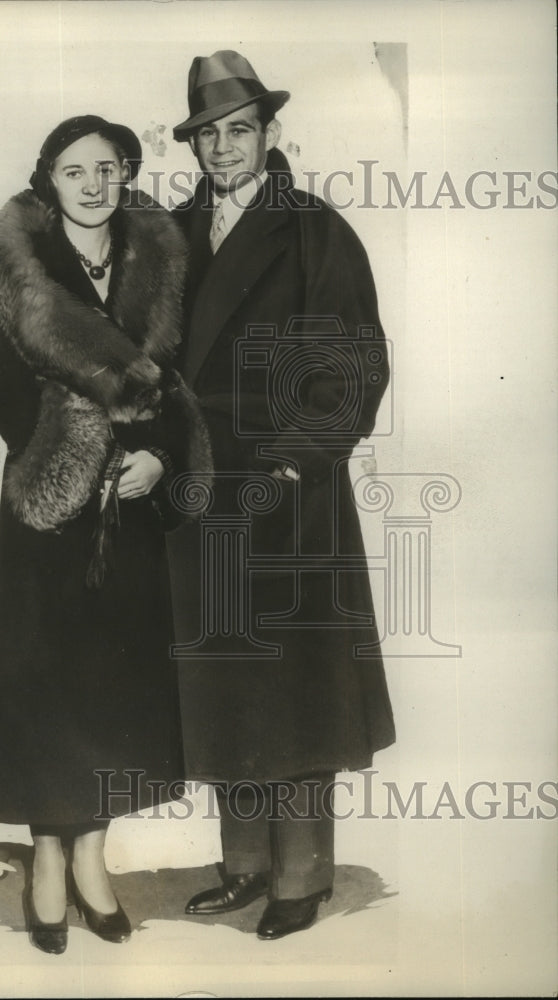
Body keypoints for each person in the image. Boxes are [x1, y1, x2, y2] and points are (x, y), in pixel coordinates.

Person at [169, 51, 396, 941]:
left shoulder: (313, 231)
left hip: (289, 492)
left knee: (296, 688)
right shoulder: (170, 234)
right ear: (192, 145)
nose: (223, 147)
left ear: (269, 134)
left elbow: (355, 364)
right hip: (199, 492)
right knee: (223, 679)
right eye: (208, 135)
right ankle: (244, 866)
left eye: (239, 130)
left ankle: (300, 877)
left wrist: (295, 466)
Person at [0, 115, 211, 955]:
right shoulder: (26, 277)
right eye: (74, 171)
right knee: (49, 693)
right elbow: (8, 398)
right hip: (52, 516)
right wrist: (90, 454)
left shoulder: (155, 266)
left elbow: (175, 386)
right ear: (50, 181)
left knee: (110, 692)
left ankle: (91, 861)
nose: (92, 185)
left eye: (106, 168)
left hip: (129, 516)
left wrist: (157, 458)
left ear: (126, 175)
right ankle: (47, 858)